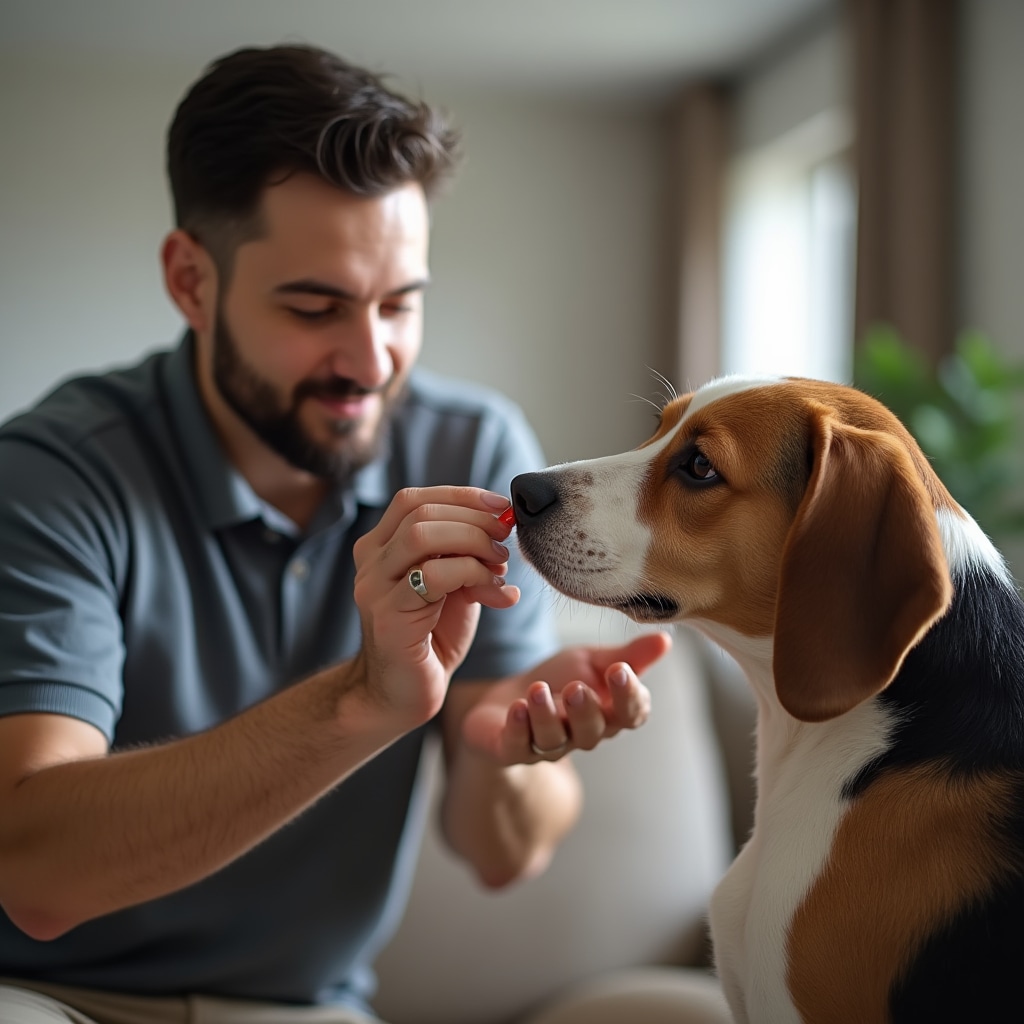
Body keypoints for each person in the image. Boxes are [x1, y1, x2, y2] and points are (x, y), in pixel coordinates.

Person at [0, 43, 671, 1024]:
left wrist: (521, 750)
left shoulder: (471, 445)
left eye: (401, 304)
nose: (370, 359)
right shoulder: (55, 475)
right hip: (50, 997)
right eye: (314, 306)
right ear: (191, 281)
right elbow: (35, 873)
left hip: (307, 1010)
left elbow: (502, 851)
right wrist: (366, 696)